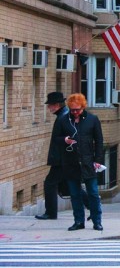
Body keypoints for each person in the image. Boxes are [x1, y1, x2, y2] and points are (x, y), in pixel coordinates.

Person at [56, 93, 104, 231]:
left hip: (88, 162)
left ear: (83, 107)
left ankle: (97, 220)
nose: (75, 112)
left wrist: (98, 160)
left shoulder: (92, 120)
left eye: (77, 110)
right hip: (71, 162)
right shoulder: (64, 120)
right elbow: (56, 139)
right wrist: (65, 140)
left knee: (93, 193)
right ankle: (78, 221)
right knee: (75, 194)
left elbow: (99, 141)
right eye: (72, 110)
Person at [34, 92, 68, 220]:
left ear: (57, 105)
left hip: (61, 160)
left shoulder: (63, 118)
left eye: (50, 105)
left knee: (50, 183)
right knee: (69, 185)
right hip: (62, 159)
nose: (49, 108)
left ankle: (51, 213)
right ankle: (92, 205)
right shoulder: (63, 116)